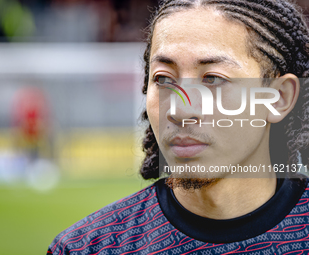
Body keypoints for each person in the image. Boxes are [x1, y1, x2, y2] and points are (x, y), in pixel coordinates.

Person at [47, 0, 309, 254]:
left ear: (279, 98)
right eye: (163, 79)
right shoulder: (87, 248)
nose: (180, 109)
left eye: (214, 79)